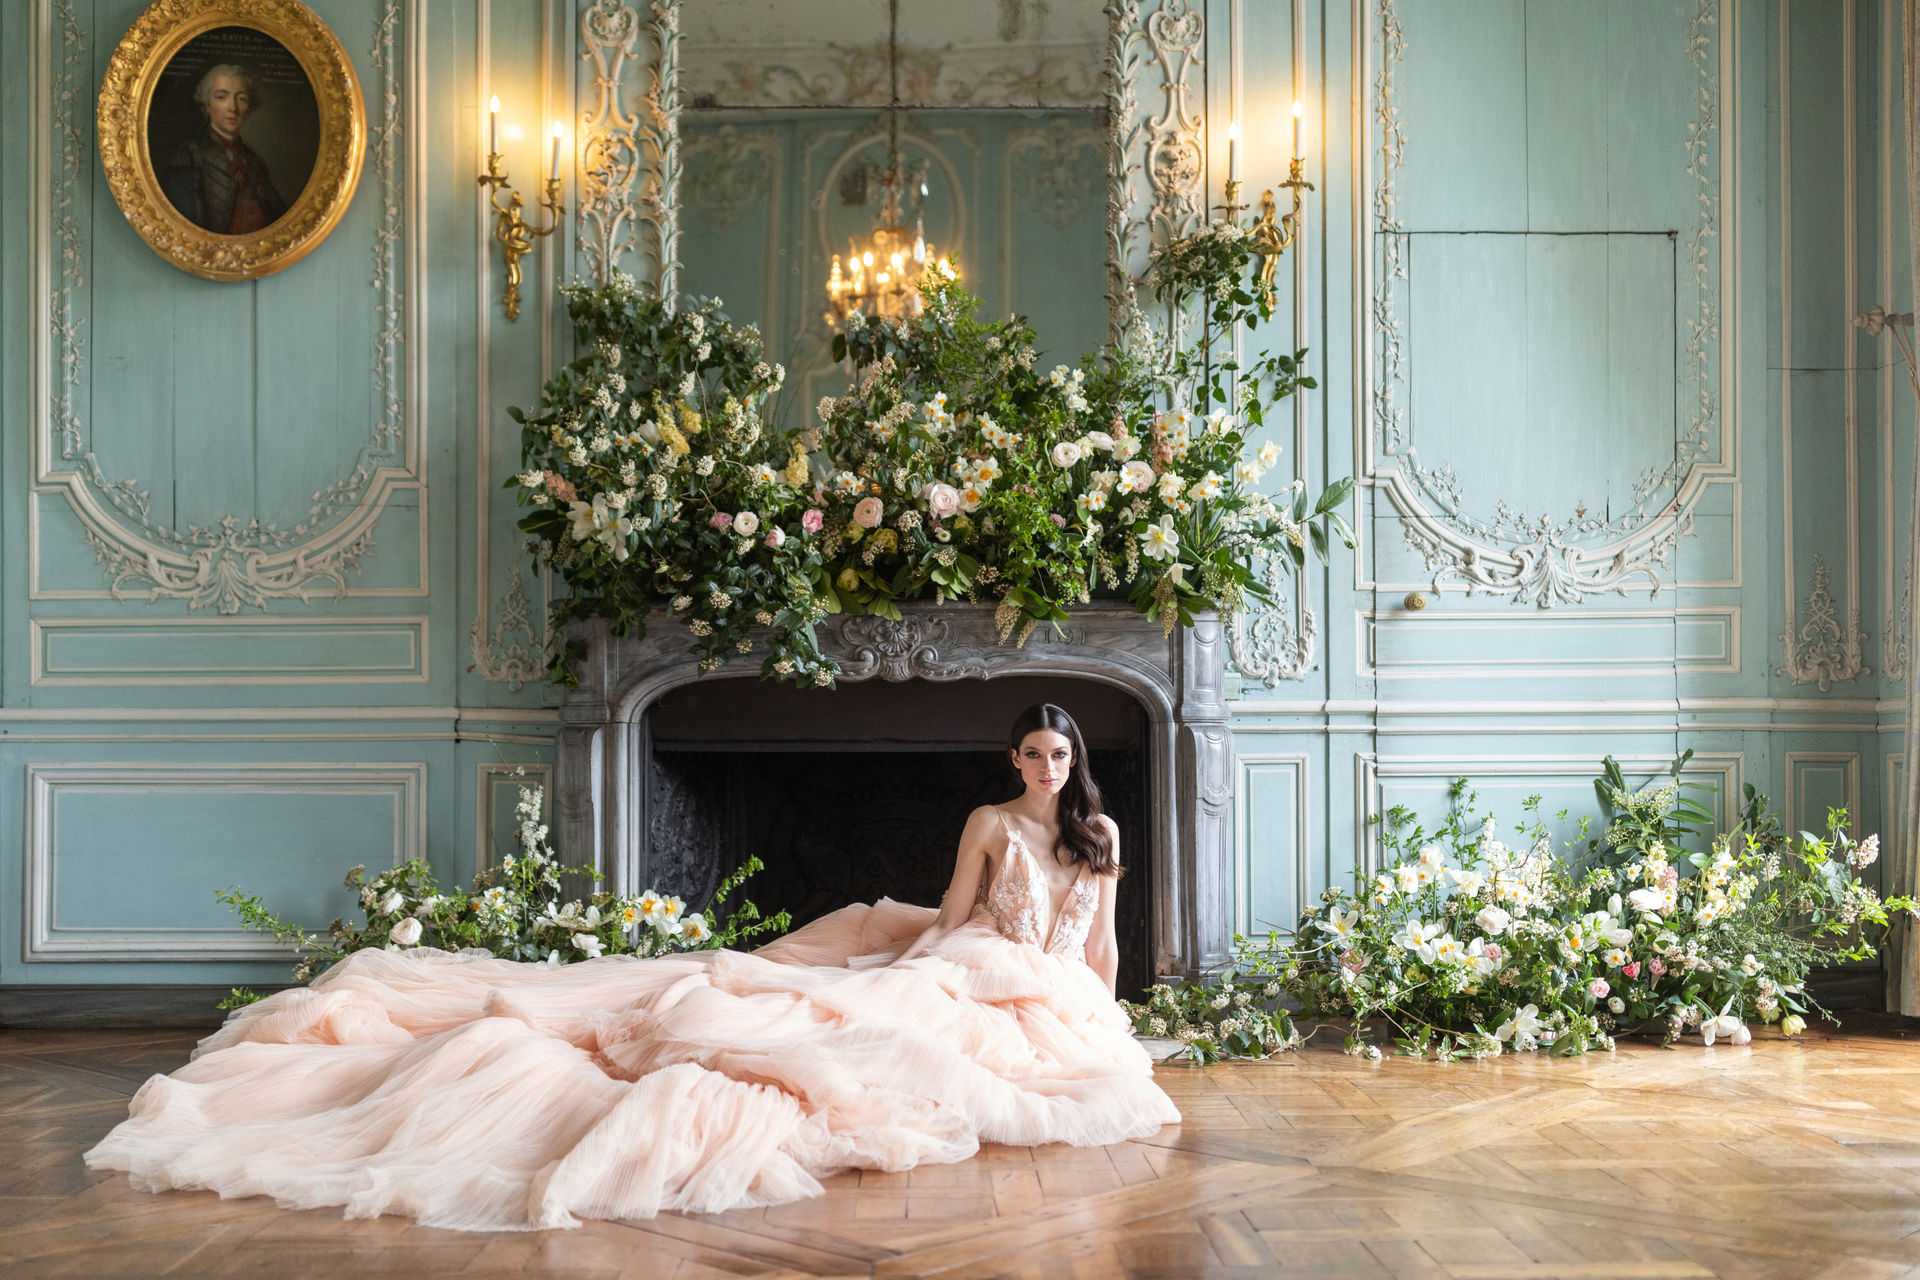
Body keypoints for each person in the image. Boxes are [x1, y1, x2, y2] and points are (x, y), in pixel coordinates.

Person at [83, 702, 1179, 1232]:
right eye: (1032, 752)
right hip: (976, 958)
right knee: (884, 1035)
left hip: (1060, 986)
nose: (1046, 765)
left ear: (1076, 761)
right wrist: (935, 973)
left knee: (1079, 1075)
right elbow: (949, 916)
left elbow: (1102, 940)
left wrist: (1105, 1005)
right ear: (1011, 761)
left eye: (1060, 753)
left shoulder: (1102, 833)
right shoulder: (989, 820)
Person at [157, 64, 288, 235]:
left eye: (242, 98)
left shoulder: (255, 162)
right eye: (221, 97)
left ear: (249, 108)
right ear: (207, 105)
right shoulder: (188, 156)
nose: (232, 108)